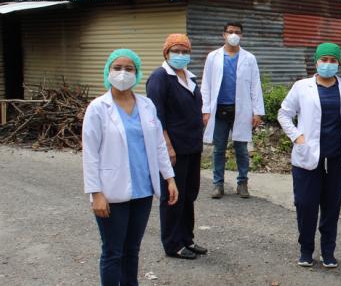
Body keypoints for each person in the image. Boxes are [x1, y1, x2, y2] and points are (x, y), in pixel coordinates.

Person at [83, 49, 179, 285]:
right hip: (111, 192)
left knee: (132, 250)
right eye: (117, 68)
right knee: (113, 252)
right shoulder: (98, 108)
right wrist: (96, 193)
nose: (123, 73)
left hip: (143, 191)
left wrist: (170, 178)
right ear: (108, 71)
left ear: (137, 73)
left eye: (129, 68)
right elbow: (90, 154)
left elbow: (158, 145)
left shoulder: (146, 105)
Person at [277, 43, 341, 268]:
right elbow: (284, 114)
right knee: (306, 204)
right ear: (316, 62)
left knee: (331, 205)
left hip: (338, 157)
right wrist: (297, 137)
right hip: (308, 156)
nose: (328, 64)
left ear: (339, 64)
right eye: (324, 59)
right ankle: (306, 249)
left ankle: (328, 251)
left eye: (332, 60)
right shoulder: (301, 87)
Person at [146, 34, 207, 260]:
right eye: (176, 51)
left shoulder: (189, 77)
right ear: (166, 52)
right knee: (173, 196)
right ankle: (172, 244)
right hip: (173, 149)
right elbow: (156, 116)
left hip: (192, 146)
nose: (181, 55)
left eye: (185, 51)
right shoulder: (159, 78)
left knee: (189, 194)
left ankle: (187, 239)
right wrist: (168, 147)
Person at [201, 22, 265, 199]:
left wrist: (257, 112)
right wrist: (205, 110)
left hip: (241, 110)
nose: (233, 35)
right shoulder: (213, 57)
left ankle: (242, 183)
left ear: (241, 35)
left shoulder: (249, 58)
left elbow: (255, 85)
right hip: (219, 110)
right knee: (218, 149)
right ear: (224, 35)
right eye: (230, 32)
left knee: (241, 149)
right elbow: (206, 84)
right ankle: (218, 184)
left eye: (237, 32)